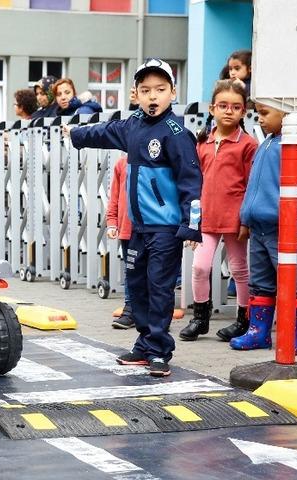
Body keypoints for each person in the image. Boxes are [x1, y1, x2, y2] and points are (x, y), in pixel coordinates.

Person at [65, 58, 202, 377]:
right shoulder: (133, 126)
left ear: (172, 93)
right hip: (137, 227)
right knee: (137, 286)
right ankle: (144, 343)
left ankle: (159, 349)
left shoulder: (176, 133)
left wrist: (192, 225)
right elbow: (104, 132)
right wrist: (76, 134)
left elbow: (191, 182)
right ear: (135, 94)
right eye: (146, 90)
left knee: (159, 288)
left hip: (165, 228)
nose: (153, 96)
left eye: (160, 89)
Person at [232, 102, 297, 353]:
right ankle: (259, 332)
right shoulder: (267, 143)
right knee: (260, 282)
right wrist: (245, 219)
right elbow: (253, 186)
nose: (259, 119)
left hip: (284, 230)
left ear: (284, 111)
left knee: (292, 281)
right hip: (259, 229)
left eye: (264, 113)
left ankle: (291, 335)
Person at [177, 80, 257, 342]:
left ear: (244, 111)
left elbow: (251, 185)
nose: (228, 111)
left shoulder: (248, 144)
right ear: (212, 108)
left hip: (235, 219)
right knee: (200, 267)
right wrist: (192, 222)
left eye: (235, 107)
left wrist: (246, 220)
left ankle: (244, 319)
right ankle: (200, 318)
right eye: (222, 105)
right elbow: (193, 184)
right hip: (206, 218)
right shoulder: (202, 142)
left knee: (239, 269)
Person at [106, 154, 133, 329]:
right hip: (128, 228)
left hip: (153, 228)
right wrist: (112, 222)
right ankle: (130, 309)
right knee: (131, 270)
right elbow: (114, 196)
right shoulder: (122, 163)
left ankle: (155, 314)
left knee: (154, 272)